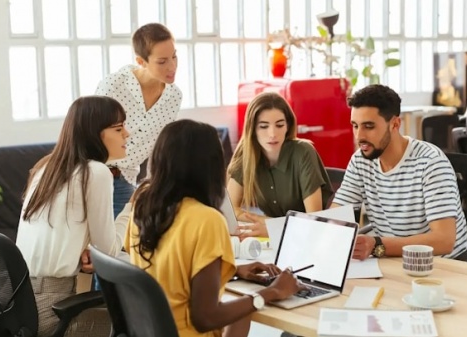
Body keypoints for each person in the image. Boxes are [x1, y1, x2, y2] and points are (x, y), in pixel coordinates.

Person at [125, 120, 304, 337]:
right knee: (249, 307)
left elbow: (164, 266)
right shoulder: (207, 219)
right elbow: (205, 318)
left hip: (150, 331)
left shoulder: (142, 204)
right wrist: (271, 292)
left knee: (243, 307)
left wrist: (232, 270)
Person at [16, 96, 130, 337]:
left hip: (20, 305)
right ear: (95, 134)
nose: (127, 135)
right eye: (119, 128)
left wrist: (86, 250)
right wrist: (132, 207)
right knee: (140, 320)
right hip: (52, 312)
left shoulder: (46, 168)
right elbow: (108, 251)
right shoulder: (95, 172)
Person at [331, 84, 467, 260]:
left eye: (369, 126)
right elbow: (336, 216)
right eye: (355, 126)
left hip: (445, 269)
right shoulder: (361, 161)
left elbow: (444, 241)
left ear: (395, 124)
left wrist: (376, 245)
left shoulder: (430, 162)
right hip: (396, 263)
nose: (359, 136)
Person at [95, 22, 182, 217]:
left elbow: (159, 147)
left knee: (126, 243)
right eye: (162, 61)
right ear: (141, 61)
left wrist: (154, 186)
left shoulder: (173, 96)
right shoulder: (114, 85)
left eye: (174, 56)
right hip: (95, 176)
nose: (172, 66)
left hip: (126, 179)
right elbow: (88, 134)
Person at [227, 92, 333, 239]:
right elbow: (231, 210)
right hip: (278, 240)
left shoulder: (303, 152)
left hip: (316, 237)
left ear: (287, 126)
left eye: (279, 125)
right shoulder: (246, 154)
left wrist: (275, 227)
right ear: (253, 130)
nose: (272, 134)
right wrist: (271, 224)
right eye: (263, 126)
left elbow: (313, 221)